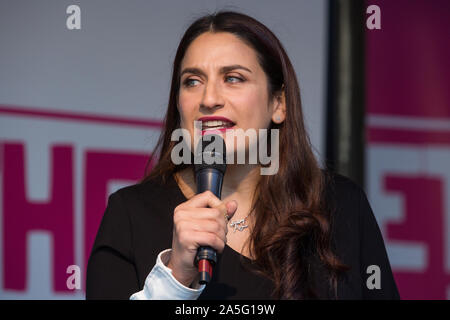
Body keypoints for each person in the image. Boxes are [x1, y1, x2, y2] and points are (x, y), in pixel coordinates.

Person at [86, 10, 400, 300]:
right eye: (192, 81)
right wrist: (176, 277)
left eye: (233, 78)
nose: (209, 98)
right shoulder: (130, 214)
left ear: (278, 104)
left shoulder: (340, 206)